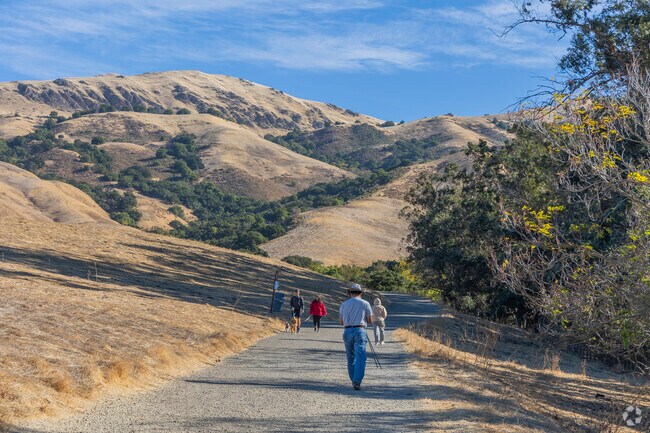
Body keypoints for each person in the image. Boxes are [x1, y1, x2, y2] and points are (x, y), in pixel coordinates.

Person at [339, 283, 373, 391]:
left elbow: (341, 321)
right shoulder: (365, 303)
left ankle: (353, 378)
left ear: (350, 293)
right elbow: (370, 320)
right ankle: (357, 381)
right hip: (360, 330)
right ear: (360, 293)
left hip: (347, 330)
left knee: (350, 357)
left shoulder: (344, 304)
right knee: (361, 357)